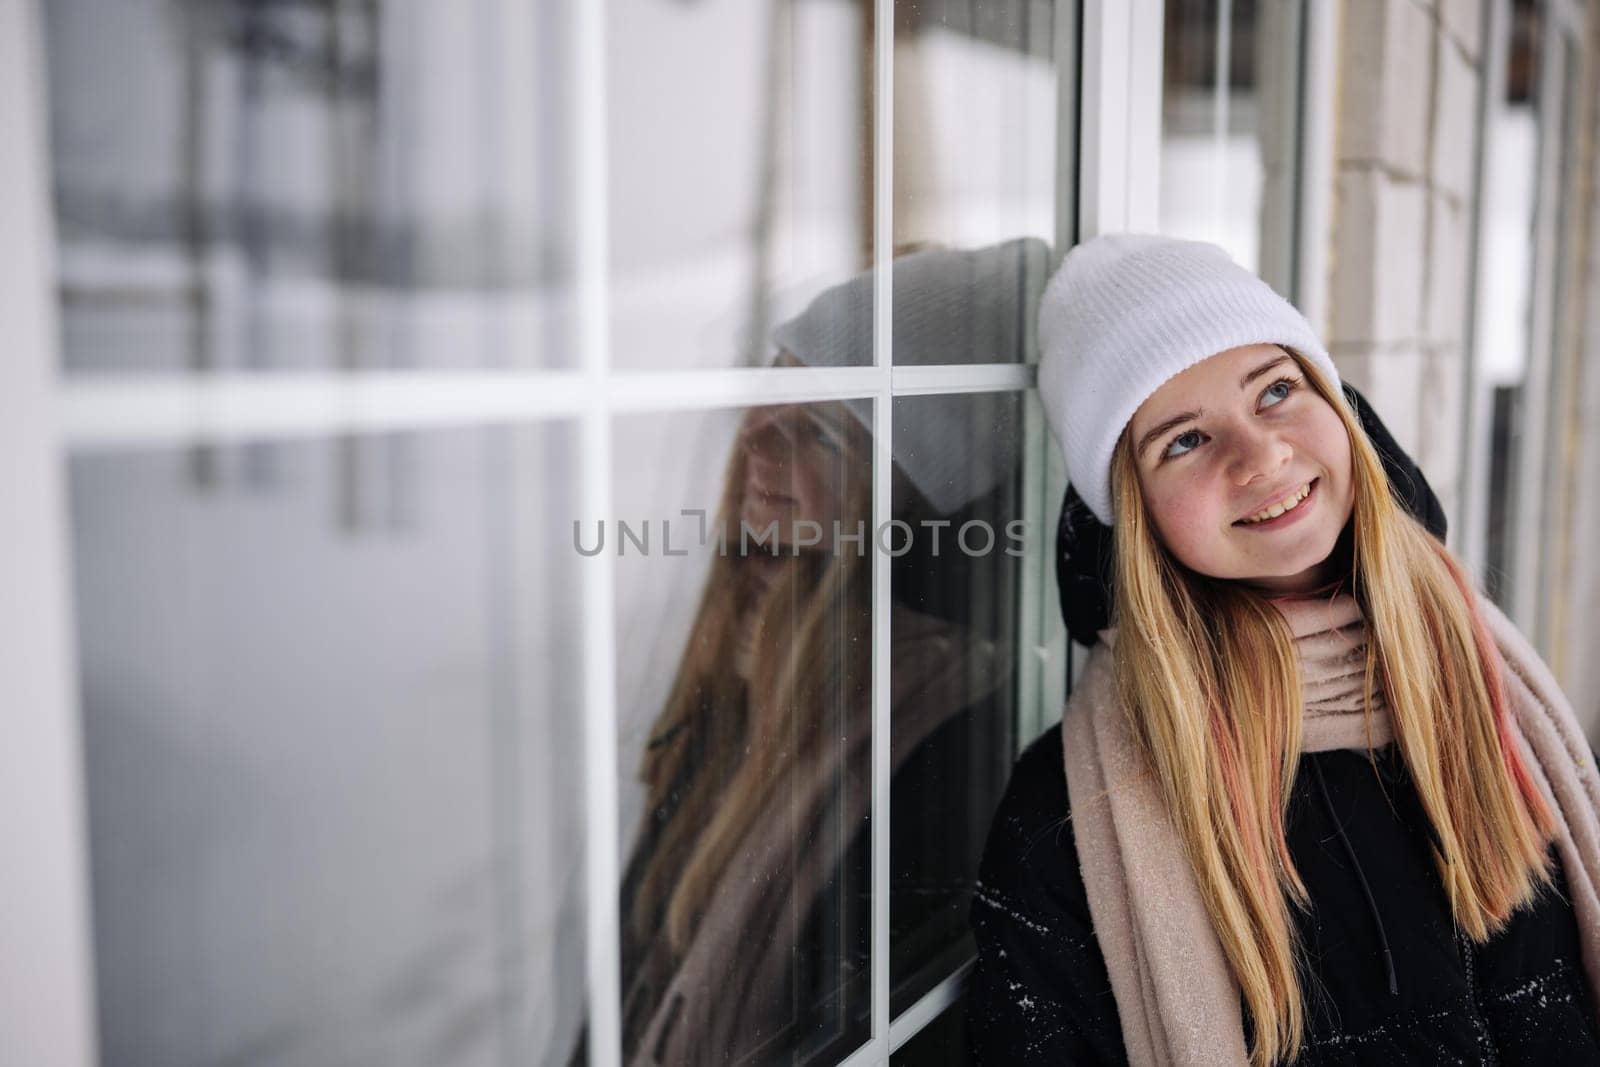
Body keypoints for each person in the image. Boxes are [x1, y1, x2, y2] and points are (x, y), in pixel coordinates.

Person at [966, 233, 1600, 1066]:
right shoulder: (1076, 809)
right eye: (1183, 440)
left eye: (1275, 389)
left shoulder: (1485, 676)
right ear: (1137, 513)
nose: (1260, 454)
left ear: (1340, 408)